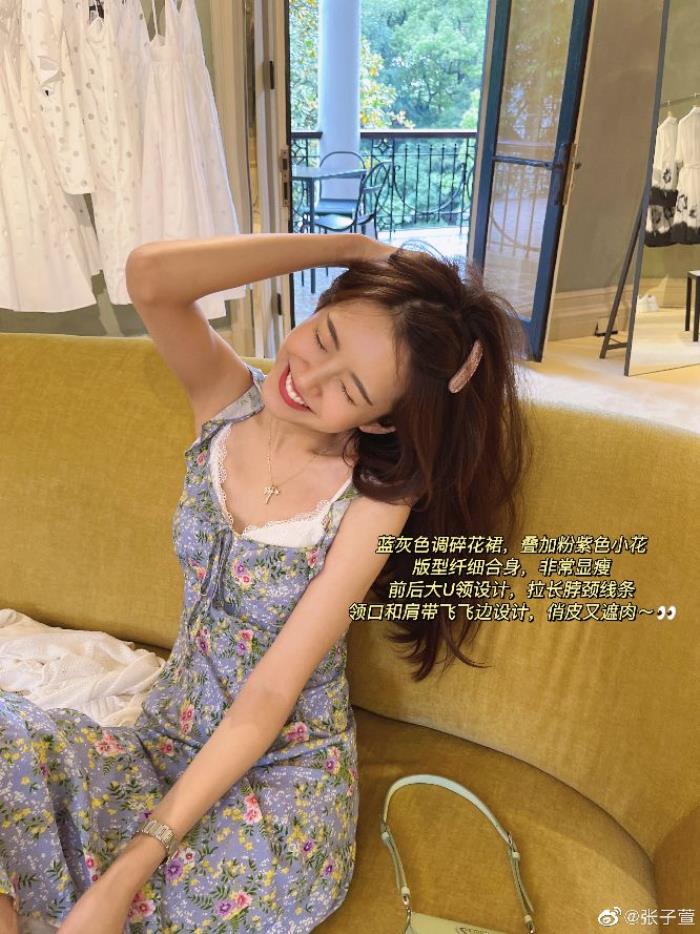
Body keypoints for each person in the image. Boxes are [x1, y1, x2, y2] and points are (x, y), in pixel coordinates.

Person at [0, 232, 531, 933]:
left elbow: (269, 698)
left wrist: (127, 873)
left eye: (348, 389)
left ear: (380, 420)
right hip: (163, 742)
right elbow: (151, 278)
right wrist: (346, 248)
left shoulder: (374, 501)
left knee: (120, 904)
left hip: (277, 780)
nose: (307, 378)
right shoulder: (225, 402)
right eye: (323, 336)